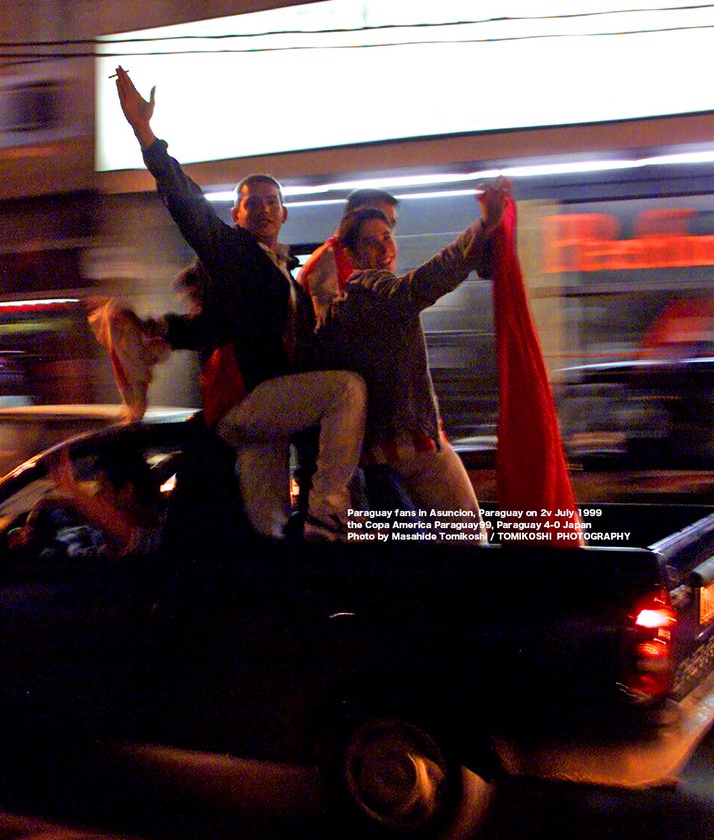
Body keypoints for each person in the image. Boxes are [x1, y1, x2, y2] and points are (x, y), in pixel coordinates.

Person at [114, 66, 365, 541]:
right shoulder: (236, 254)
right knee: (346, 390)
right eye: (252, 202)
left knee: (267, 527)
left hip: (262, 417)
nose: (263, 208)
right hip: (249, 401)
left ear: (285, 212)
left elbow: (213, 327)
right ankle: (329, 511)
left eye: (272, 201)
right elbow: (188, 207)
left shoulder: (285, 277)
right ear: (237, 215)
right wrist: (145, 133)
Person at [315, 179, 512, 543]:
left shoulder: (346, 303)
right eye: (369, 242)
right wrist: (483, 227)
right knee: (471, 540)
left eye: (386, 236)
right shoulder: (373, 290)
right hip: (413, 444)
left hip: (382, 450)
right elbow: (426, 281)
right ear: (352, 254)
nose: (383, 248)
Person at [15, 448, 164, 559]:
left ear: (126, 490)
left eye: (103, 488)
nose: (97, 495)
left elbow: (118, 526)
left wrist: (71, 490)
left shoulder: (148, 536)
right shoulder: (114, 539)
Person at [297, 189, 399, 328]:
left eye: (389, 226)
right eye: (375, 218)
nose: (385, 247)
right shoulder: (327, 263)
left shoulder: (360, 267)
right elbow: (331, 331)